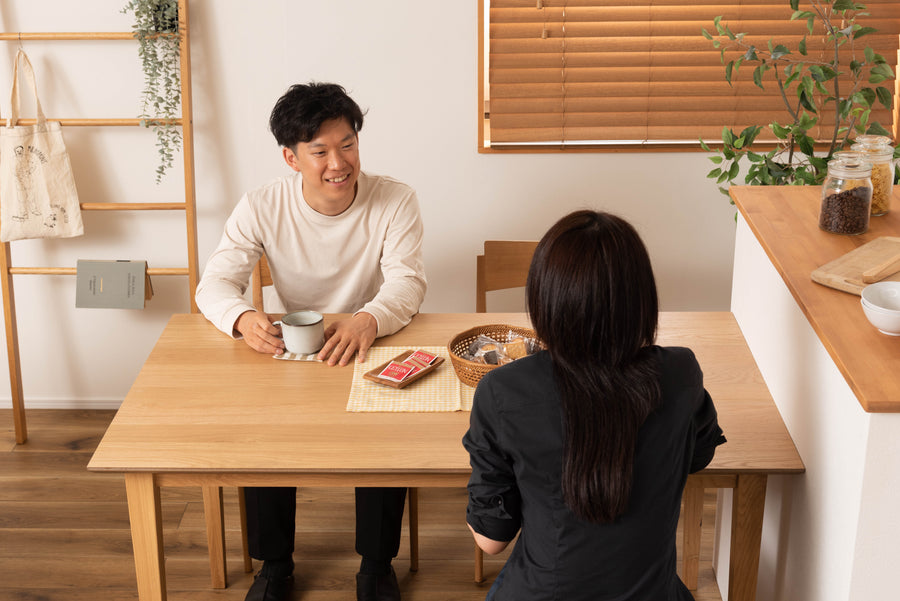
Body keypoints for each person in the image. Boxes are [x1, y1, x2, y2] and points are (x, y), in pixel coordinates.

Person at [196, 82, 426, 601]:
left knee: (384, 437)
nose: (338, 163)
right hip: (292, 348)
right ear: (291, 157)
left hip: (370, 337)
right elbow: (213, 284)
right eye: (320, 151)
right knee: (263, 436)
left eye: (348, 144)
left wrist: (368, 319)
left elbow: (407, 283)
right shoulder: (261, 205)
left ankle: (376, 565)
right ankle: (275, 566)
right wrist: (242, 318)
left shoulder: (394, 198)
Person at [462, 210, 726, 600]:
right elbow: (698, 456)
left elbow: (491, 540)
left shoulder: (503, 390)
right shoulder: (680, 373)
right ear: (640, 298)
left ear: (545, 296)